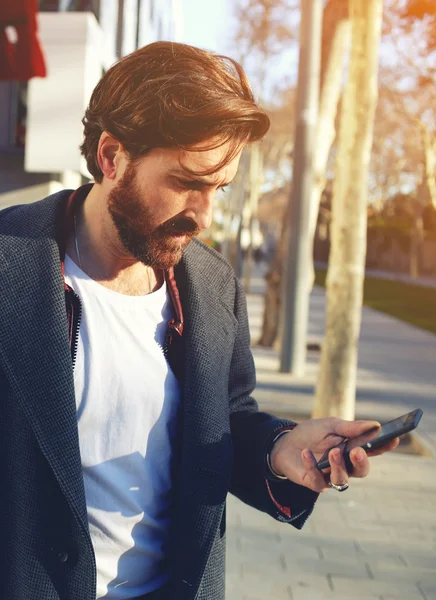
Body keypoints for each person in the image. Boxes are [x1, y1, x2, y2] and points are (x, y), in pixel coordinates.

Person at [0, 41, 398, 600]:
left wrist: (284, 449)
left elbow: (224, 421)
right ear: (112, 157)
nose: (204, 216)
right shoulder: (9, 266)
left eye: (220, 188)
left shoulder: (210, 286)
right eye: (188, 182)